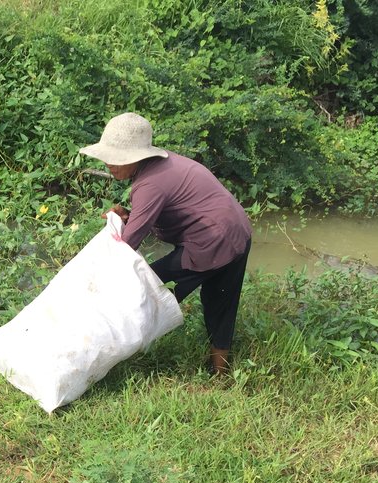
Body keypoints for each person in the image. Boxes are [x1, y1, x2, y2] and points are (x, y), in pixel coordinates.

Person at [80, 112, 253, 375]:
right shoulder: (165, 166)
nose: (108, 164)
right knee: (220, 300)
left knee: (146, 285)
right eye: (107, 157)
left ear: (136, 157)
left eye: (116, 158)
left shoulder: (149, 184)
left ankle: (106, 352)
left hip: (212, 241)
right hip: (238, 231)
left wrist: (90, 282)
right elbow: (160, 213)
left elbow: (125, 248)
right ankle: (222, 373)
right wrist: (129, 216)